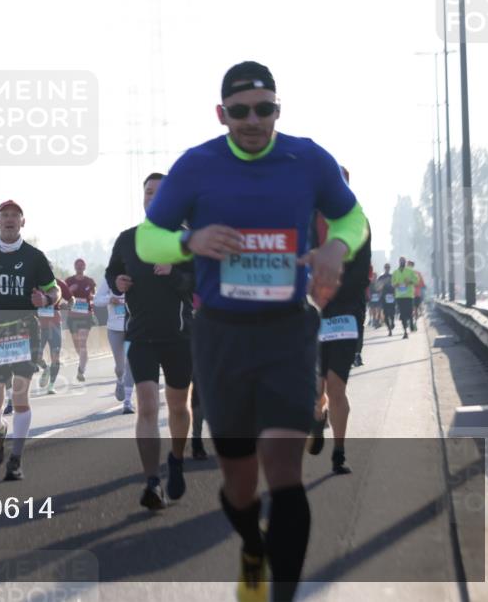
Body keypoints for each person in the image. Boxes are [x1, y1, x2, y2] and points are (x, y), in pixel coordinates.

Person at [136, 62, 369, 602]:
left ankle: (282, 594)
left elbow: (354, 219)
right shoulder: (196, 166)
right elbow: (150, 237)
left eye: (265, 109)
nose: (252, 120)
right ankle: (250, 545)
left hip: (287, 332)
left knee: (283, 467)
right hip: (221, 335)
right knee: (239, 484)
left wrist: (336, 245)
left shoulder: (307, 158)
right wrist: (188, 243)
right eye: (240, 111)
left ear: (277, 111)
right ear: (222, 114)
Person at [107, 172, 196, 510]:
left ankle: (175, 458)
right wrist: (118, 281)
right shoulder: (128, 239)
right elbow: (112, 274)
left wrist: (173, 274)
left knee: (178, 407)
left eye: (160, 193)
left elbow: (199, 284)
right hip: (141, 336)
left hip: (178, 336)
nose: (152, 197)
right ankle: (151, 483)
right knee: (146, 406)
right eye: (148, 192)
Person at [0, 200, 59, 481]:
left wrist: (46, 299)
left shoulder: (34, 256)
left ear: (22, 222)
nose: (9, 219)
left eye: (14, 216)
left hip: (25, 330)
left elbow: (55, 292)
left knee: (20, 396)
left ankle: (16, 458)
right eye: (4, 215)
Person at [306, 169, 373, 475]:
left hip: (345, 312)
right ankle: (318, 418)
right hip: (312, 314)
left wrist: (328, 290)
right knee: (315, 388)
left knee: (336, 387)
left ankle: (339, 453)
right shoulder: (307, 221)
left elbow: (359, 276)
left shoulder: (358, 225)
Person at [94, 272, 132, 411]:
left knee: (131, 364)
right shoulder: (109, 278)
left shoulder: (135, 275)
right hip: (114, 328)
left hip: (132, 328)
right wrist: (110, 298)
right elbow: (97, 300)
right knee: (120, 367)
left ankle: (127, 401)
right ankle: (120, 380)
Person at [36, 273, 71, 394]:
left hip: (55, 325)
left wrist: (69, 305)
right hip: (38, 326)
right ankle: (45, 369)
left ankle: (51, 385)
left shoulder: (59, 283)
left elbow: (71, 299)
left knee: (55, 357)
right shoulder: (34, 282)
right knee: (36, 356)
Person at [64, 259, 96, 382]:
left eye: (82, 265)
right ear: (74, 267)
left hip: (85, 316)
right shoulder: (68, 281)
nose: (80, 267)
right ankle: (84, 360)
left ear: (85, 267)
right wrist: (70, 290)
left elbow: (93, 295)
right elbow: (63, 297)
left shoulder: (90, 281)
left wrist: (92, 298)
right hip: (73, 317)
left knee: (82, 343)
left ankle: (81, 370)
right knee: (77, 345)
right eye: (77, 265)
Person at [391, 257, 418, 339]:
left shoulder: (410, 271)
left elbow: (416, 280)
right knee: (402, 314)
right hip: (399, 296)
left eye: (403, 261)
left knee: (409, 312)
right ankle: (405, 331)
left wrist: (409, 282)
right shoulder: (395, 272)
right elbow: (393, 283)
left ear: (405, 262)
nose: (402, 262)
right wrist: (397, 284)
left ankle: (411, 323)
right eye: (401, 261)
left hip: (409, 295)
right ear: (399, 262)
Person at [376, 263, 396, 336]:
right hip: (384, 297)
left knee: (392, 312)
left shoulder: (392, 276)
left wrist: (395, 292)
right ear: (384, 268)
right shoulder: (381, 277)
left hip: (392, 296)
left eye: (388, 267)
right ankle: (389, 328)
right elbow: (378, 287)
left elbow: (395, 285)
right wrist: (380, 288)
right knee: (386, 314)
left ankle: (393, 322)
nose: (387, 268)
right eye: (386, 267)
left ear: (389, 268)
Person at [408, 260, 424, 329]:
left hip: (415, 294)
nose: (408, 266)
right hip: (408, 294)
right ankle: (413, 322)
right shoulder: (405, 273)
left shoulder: (417, 273)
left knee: (415, 309)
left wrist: (414, 284)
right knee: (412, 309)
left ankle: (414, 323)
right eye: (408, 265)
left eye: (409, 265)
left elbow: (422, 283)